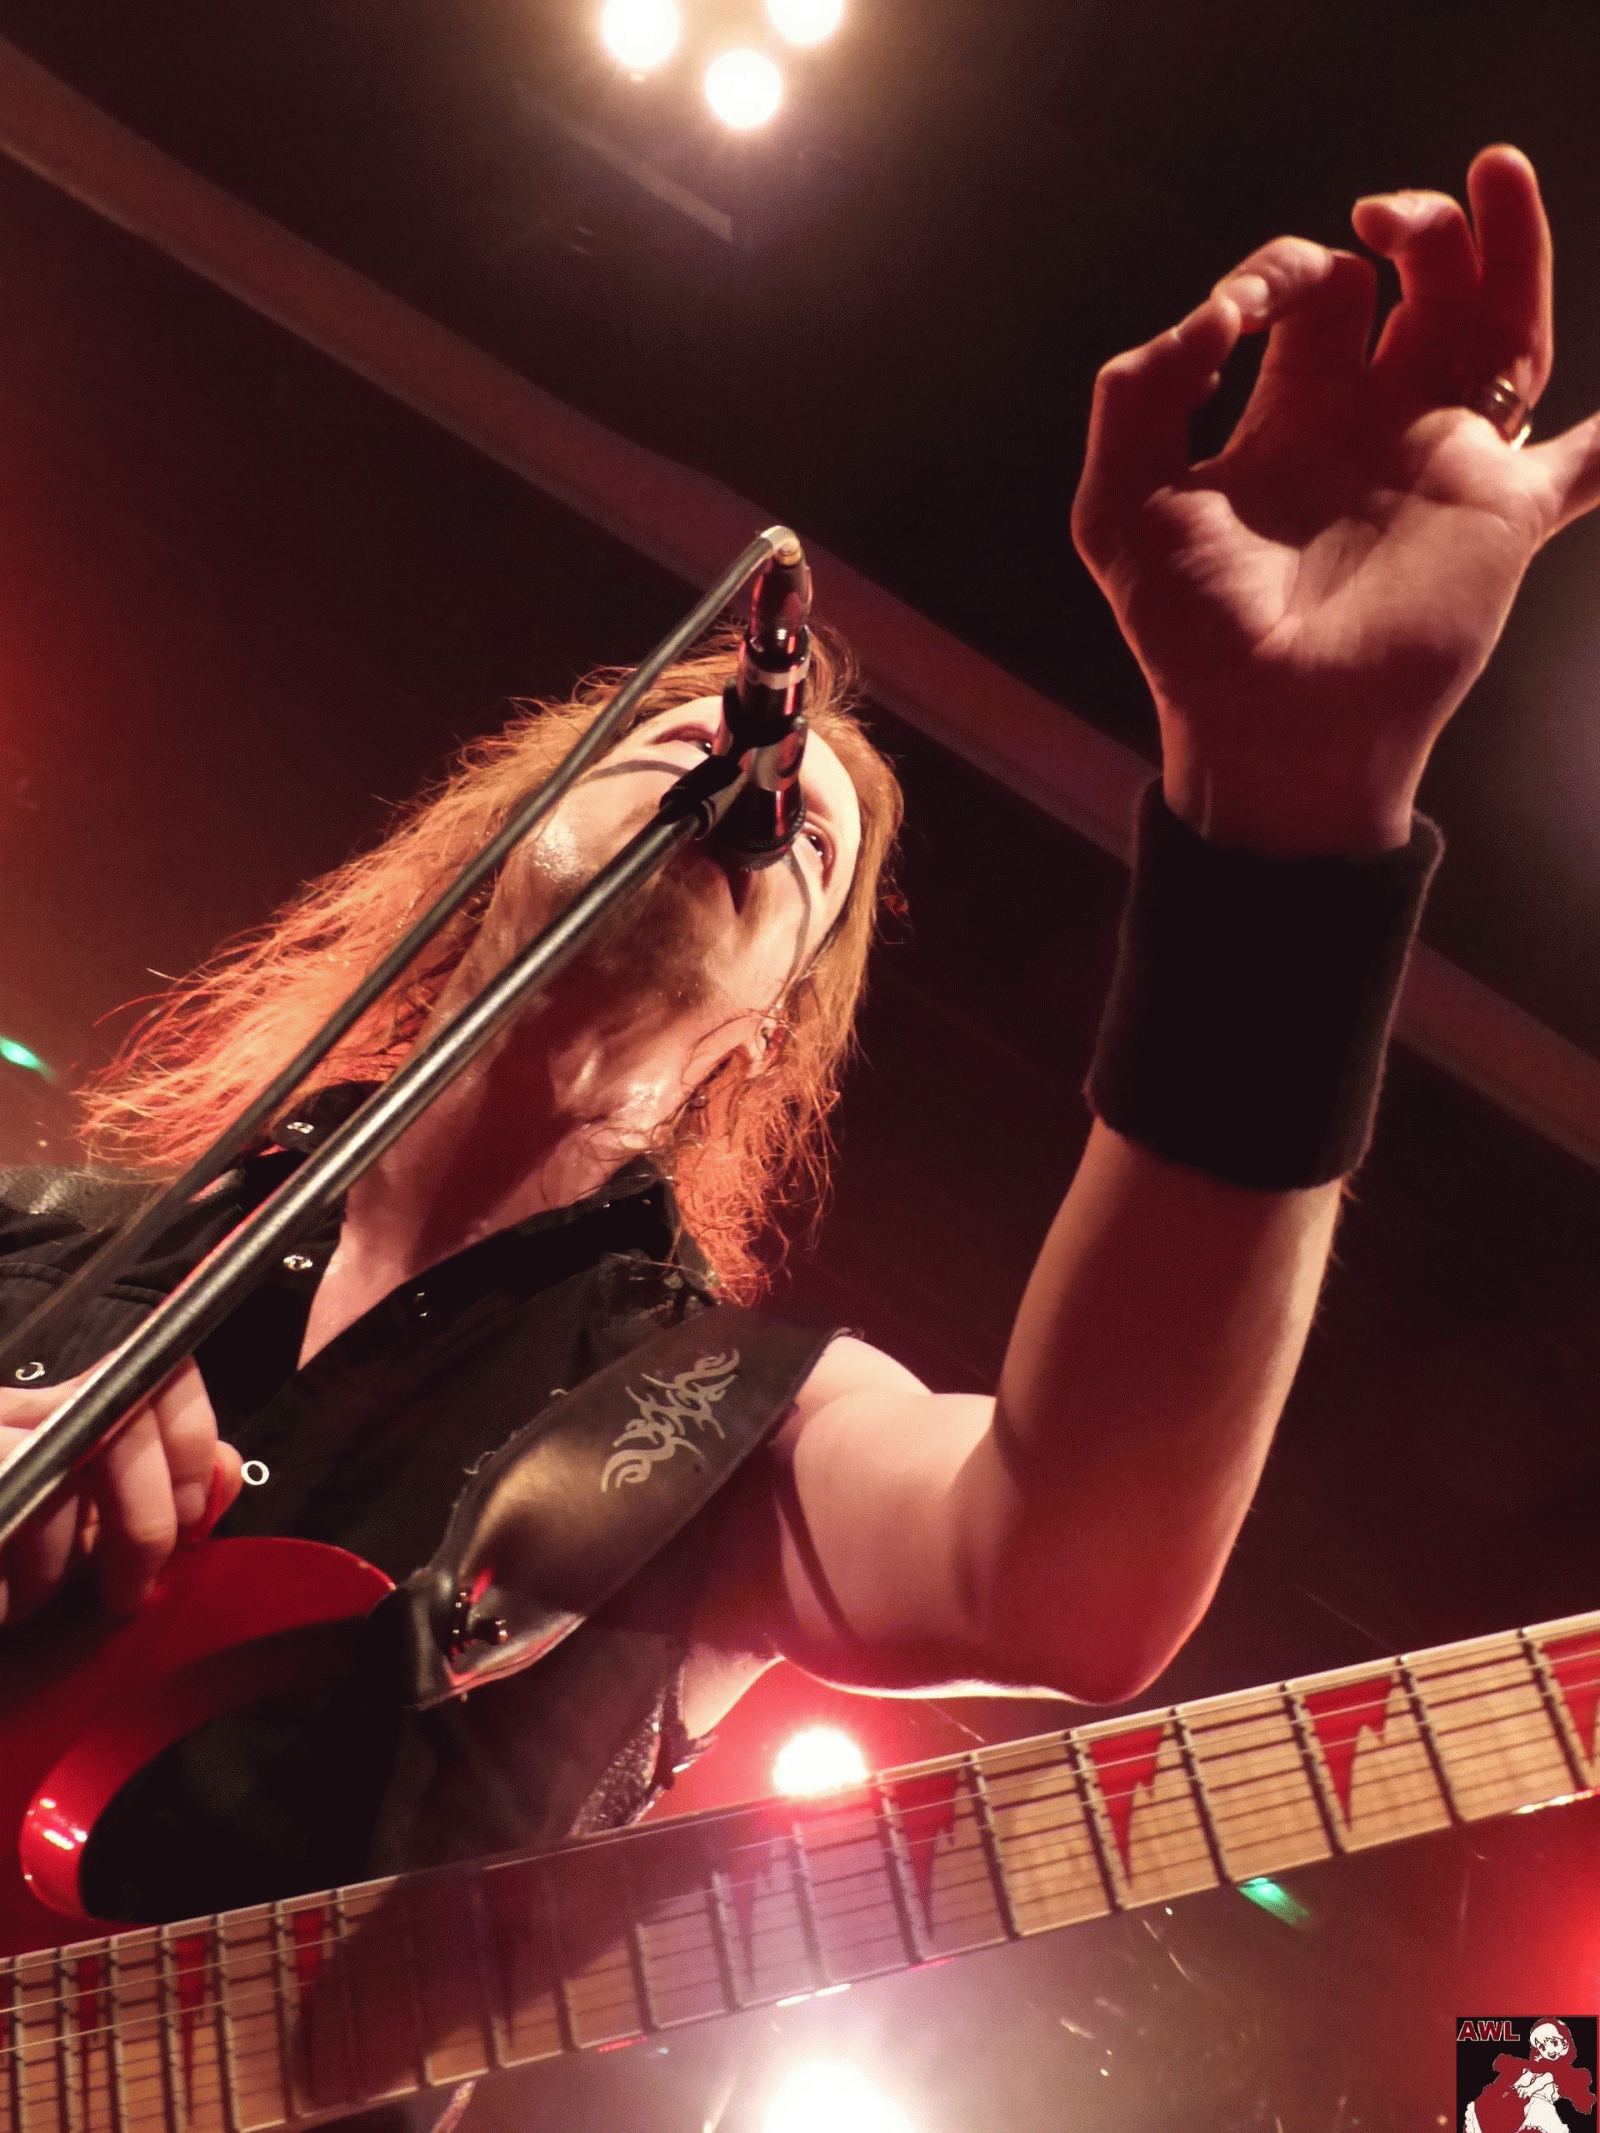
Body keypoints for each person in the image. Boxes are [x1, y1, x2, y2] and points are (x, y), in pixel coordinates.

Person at [2, 143, 1599, 1912]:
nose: (749, 784)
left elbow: (1062, 1571)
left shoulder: (712, 1416)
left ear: (764, 1032)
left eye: (812, 848)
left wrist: (1287, 818)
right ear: (501, 846)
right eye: (673, 744)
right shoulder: (44, 1257)